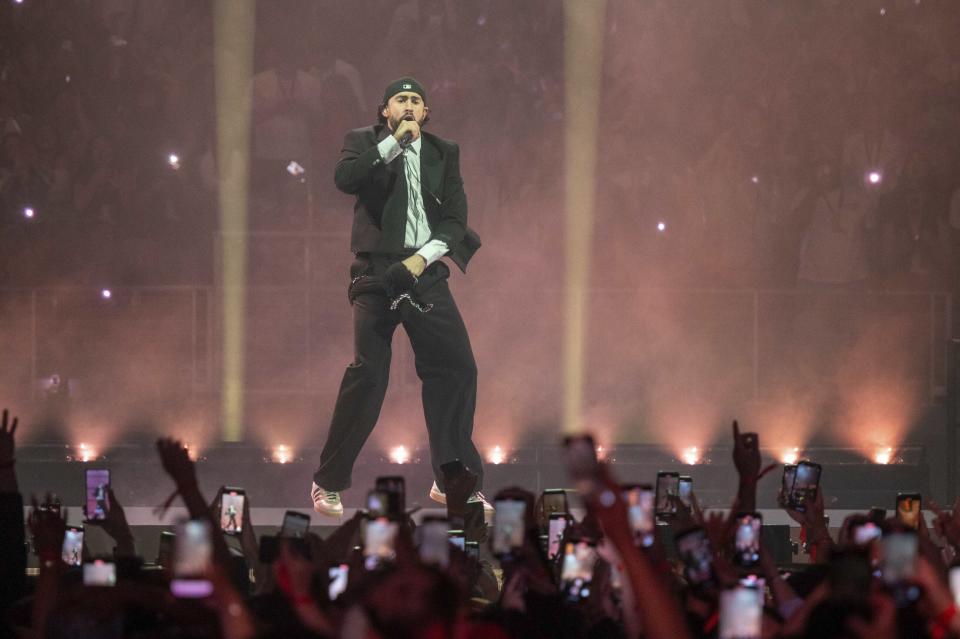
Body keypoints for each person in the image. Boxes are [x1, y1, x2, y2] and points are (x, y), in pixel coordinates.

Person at [310, 77, 488, 517]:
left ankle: (453, 480)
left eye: (416, 101)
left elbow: (454, 220)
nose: (409, 105)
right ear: (384, 111)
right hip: (375, 271)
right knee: (369, 374)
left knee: (457, 368)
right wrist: (392, 145)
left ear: (426, 113)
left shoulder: (445, 152)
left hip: (422, 271)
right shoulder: (364, 142)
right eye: (400, 100)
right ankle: (327, 482)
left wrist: (421, 261)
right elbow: (344, 178)